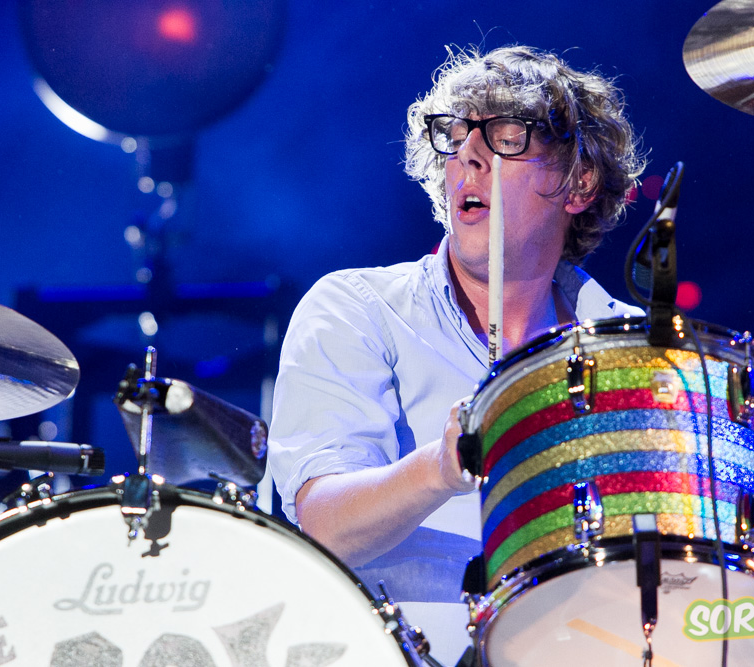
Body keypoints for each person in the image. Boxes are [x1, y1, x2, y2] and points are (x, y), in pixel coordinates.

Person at [266, 44, 646, 665]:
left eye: (507, 137)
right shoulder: (357, 309)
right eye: (455, 136)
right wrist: (441, 468)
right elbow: (324, 527)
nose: (469, 155)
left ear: (579, 183)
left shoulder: (636, 350)